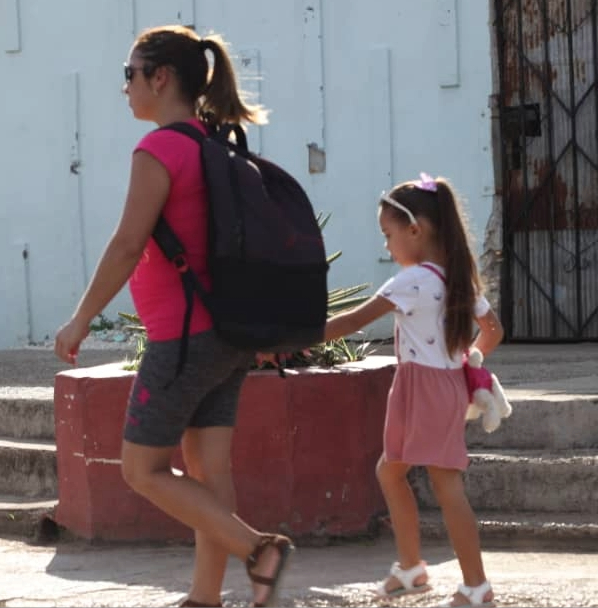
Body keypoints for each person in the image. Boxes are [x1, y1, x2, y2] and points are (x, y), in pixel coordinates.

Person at [52, 25, 291, 608]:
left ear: (161, 78)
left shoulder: (160, 149)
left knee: (140, 469)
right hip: (226, 333)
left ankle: (258, 549)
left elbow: (129, 242)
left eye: (130, 74)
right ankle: (205, 598)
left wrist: (81, 318)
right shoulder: (215, 145)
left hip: (183, 339)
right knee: (209, 470)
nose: (125, 87)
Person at [323, 173, 504, 607]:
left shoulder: (411, 281)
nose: (386, 246)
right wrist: (473, 358)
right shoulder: (456, 278)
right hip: (425, 386)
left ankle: (476, 586)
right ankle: (410, 568)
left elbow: (350, 322)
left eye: (388, 235)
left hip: (425, 388)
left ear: (415, 230)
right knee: (391, 470)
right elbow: (493, 330)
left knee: (446, 486)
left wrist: (288, 337)